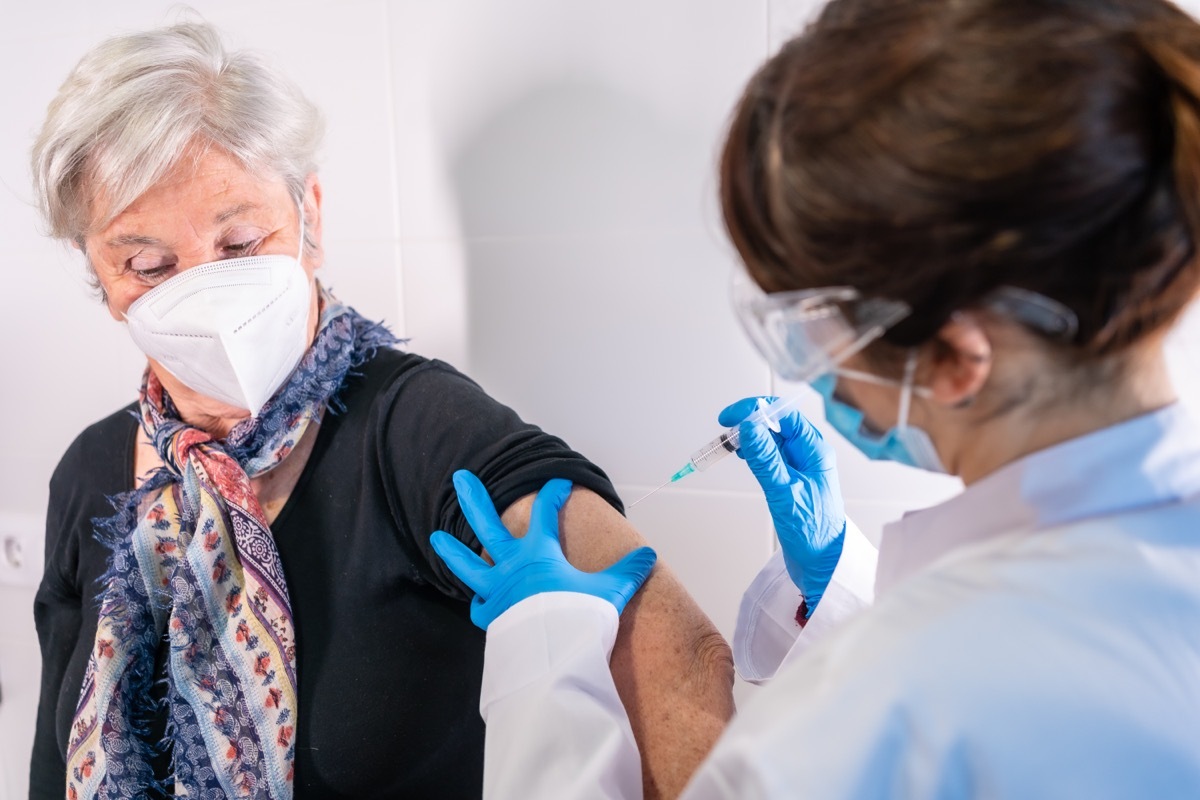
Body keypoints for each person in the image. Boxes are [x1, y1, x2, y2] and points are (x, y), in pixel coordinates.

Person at [431, 0, 1200, 796]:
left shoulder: (900, 699)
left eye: (813, 324)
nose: (811, 366)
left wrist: (547, 657)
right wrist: (832, 587)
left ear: (955, 355)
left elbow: (908, 707)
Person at [28, 20, 734, 800]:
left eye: (238, 243)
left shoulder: (421, 433)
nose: (202, 291)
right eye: (149, 264)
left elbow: (684, 665)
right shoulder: (91, 471)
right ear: (99, 275)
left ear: (310, 219)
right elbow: (51, 763)